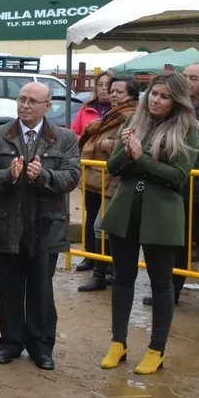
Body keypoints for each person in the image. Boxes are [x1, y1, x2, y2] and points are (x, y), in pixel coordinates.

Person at [99, 73, 199, 374]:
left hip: (161, 217)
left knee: (161, 284)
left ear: (177, 101)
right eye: (153, 94)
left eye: (164, 96)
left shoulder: (187, 130)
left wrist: (139, 157)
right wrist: (128, 155)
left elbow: (177, 177)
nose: (155, 100)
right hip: (125, 211)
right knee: (121, 278)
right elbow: (112, 165)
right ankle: (118, 341)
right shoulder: (134, 122)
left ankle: (157, 349)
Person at [0, 82, 80, 371]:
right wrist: (7, 175)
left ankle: (41, 346)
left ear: (48, 106)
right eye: (22, 99)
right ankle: (9, 342)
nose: (25, 105)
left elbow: (72, 177)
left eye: (33, 101)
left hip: (46, 225)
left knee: (41, 288)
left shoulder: (64, 138)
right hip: (8, 222)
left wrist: (45, 176)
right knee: (8, 287)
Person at [142, 63, 199, 318]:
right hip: (172, 190)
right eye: (184, 76)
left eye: (193, 77)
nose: (187, 81)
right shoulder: (171, 108)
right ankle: (171, 291)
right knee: (173, 245)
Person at [76, 76, 139, 292]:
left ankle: (106, 273)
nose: (113, 94)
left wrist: (107, 144)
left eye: (119, 91)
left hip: (118, 178)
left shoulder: (133, 116)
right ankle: (102, 273)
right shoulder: (108, 115)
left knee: (102, 227)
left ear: (131, 95)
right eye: (112, 90)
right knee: (100, 226)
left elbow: (129, 145)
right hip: (100, 177)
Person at [73, 71, 113, 272]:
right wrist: (91, 141)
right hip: (90, 169)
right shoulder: (87, 110)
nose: (104, 89)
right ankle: (89, 256)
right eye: (101, 85)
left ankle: (106, 259)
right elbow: (75, 133)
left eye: (108, 85)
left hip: (111, 172)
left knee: (107, 218)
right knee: (91, 214)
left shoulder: (121, 111)